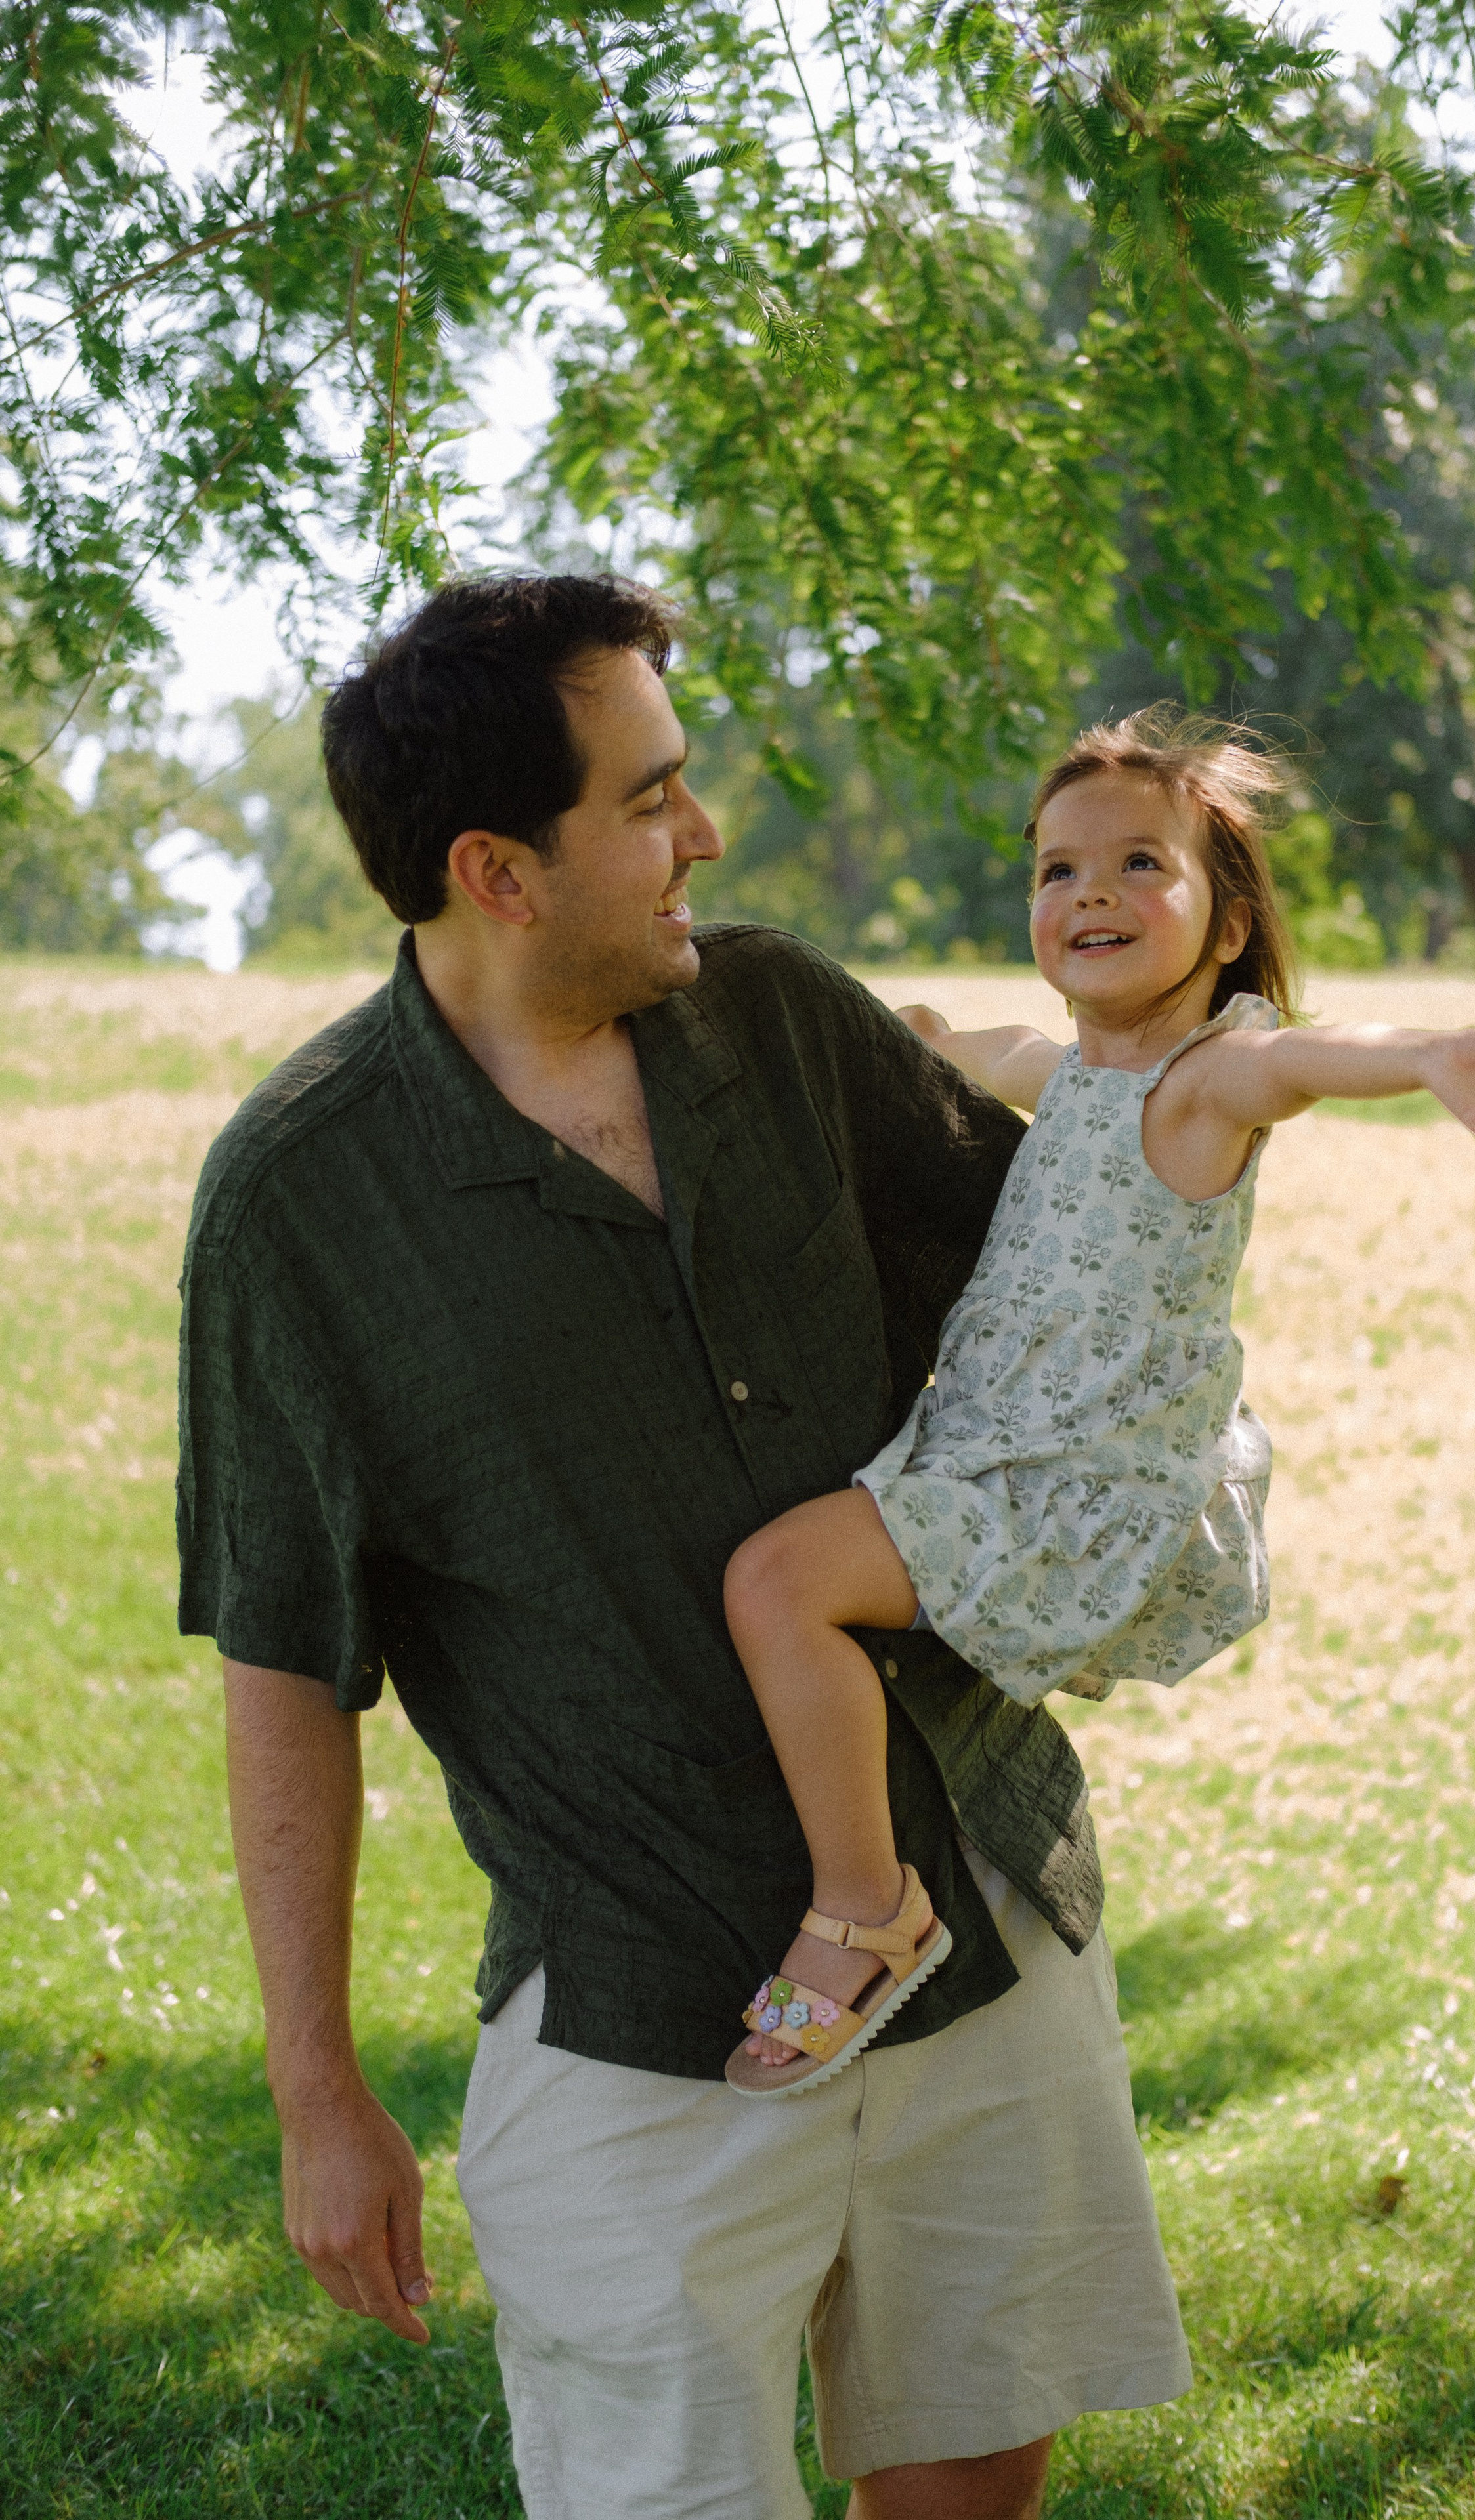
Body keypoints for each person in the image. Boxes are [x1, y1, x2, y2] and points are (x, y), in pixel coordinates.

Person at [177, 576, 1196, 2520]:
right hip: (640, 2023)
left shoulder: (783, 1021)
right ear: (497, 869)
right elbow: (280, 1665)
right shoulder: (298, 1209)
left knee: (977, 2481)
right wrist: (319, 2088)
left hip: (977, 1917)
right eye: (649, 801)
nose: (703, 835)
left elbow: (1067, 1249)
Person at [723, 710, 1475, 2092]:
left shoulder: (1198, 1088)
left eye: (1138, 865)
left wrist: (1423, 1054)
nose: (1090, 893)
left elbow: (1296, 1061)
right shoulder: (1058, 1075)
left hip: (1063, 1490)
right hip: (984, 1454)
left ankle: (866, 1911)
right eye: (1056, 871)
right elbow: (930, 1044)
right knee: (785, 1585)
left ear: (1226, 925)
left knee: (774, 1585)